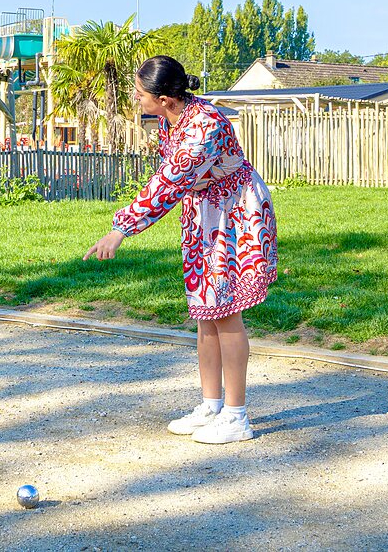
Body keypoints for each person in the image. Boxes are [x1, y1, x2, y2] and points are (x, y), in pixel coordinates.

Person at [84, 55, 277, 444]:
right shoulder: (172, 119)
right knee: (206, 312)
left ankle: (237, 416)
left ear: (165, 98)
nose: (136, 100)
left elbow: (170, 182)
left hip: (235, 213)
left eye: (140, 94)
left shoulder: (203, 126)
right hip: (206, 210)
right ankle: (212, 405)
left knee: (226, 313)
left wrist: (121, 229)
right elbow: (169, 177)